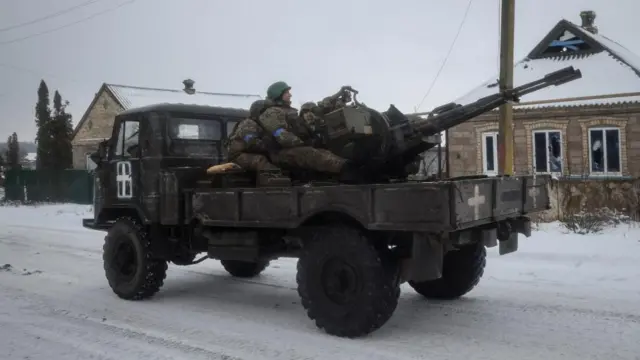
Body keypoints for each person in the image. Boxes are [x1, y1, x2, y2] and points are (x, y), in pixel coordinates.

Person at [257, 81, 359, 177]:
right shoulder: (271, 113)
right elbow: (282, 136)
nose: (290, 95)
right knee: (310, 153)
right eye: (286, 92)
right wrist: (306, 143)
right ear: (278, 94)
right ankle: (349, 170)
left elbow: (318, 110)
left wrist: (336, 96)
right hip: (280, 153)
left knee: (325, 152)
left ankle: (349, 167)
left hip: (294, 149)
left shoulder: (288, 111)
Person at [226, 99, 280, 172]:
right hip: (237, 156)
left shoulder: (265, 124)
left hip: (252, 153)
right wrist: (272, 147)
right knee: (260, 161)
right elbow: (252, 143)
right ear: (259, 112)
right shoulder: (248, 124)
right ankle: (275, 180)